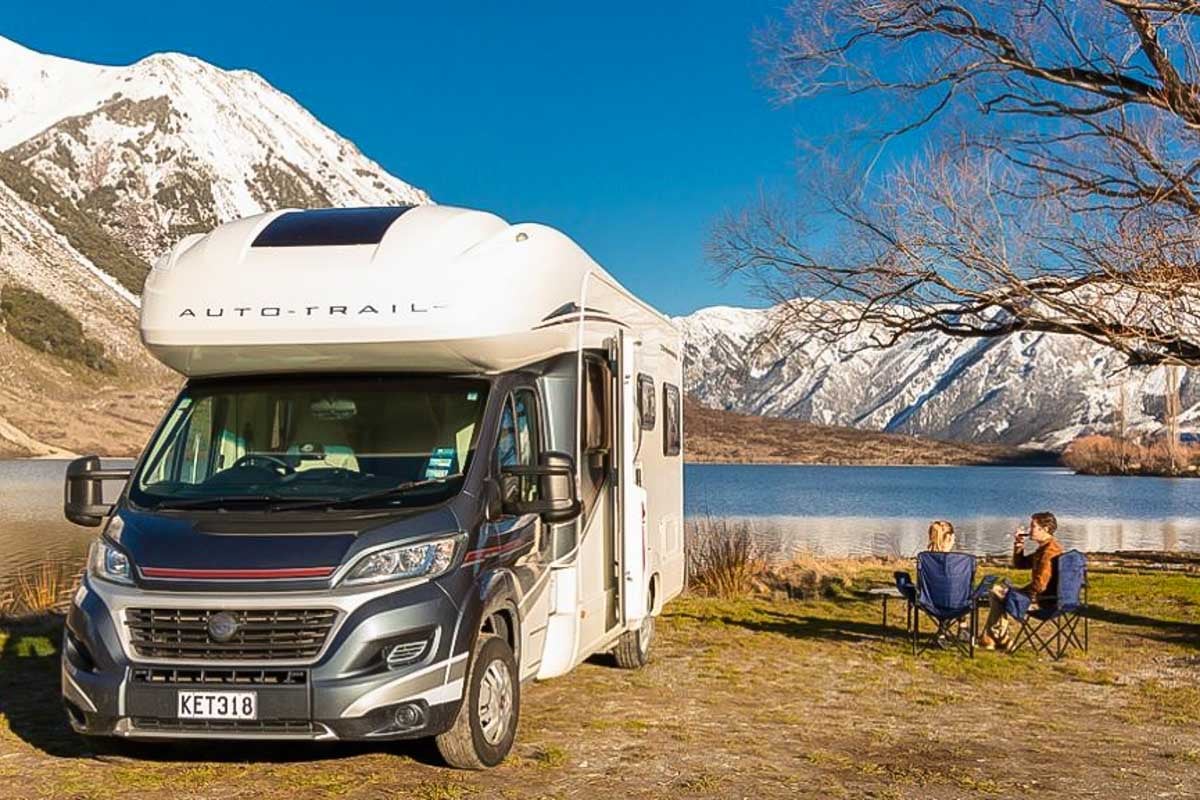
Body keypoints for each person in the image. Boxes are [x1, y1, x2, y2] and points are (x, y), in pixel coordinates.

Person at [980, 511, 1064, 650]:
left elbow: (1039, 585)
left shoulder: (1049, 552)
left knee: (996, 592)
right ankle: (998, 638)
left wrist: (1017, 592)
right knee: (999, 591)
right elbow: (1021, 564)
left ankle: (995, 638)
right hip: (1047, 596)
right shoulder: (1045, 548)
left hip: (1044, 600)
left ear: (1045, 529)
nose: (1029, 530)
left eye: (1033, 527)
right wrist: (1019, 545)